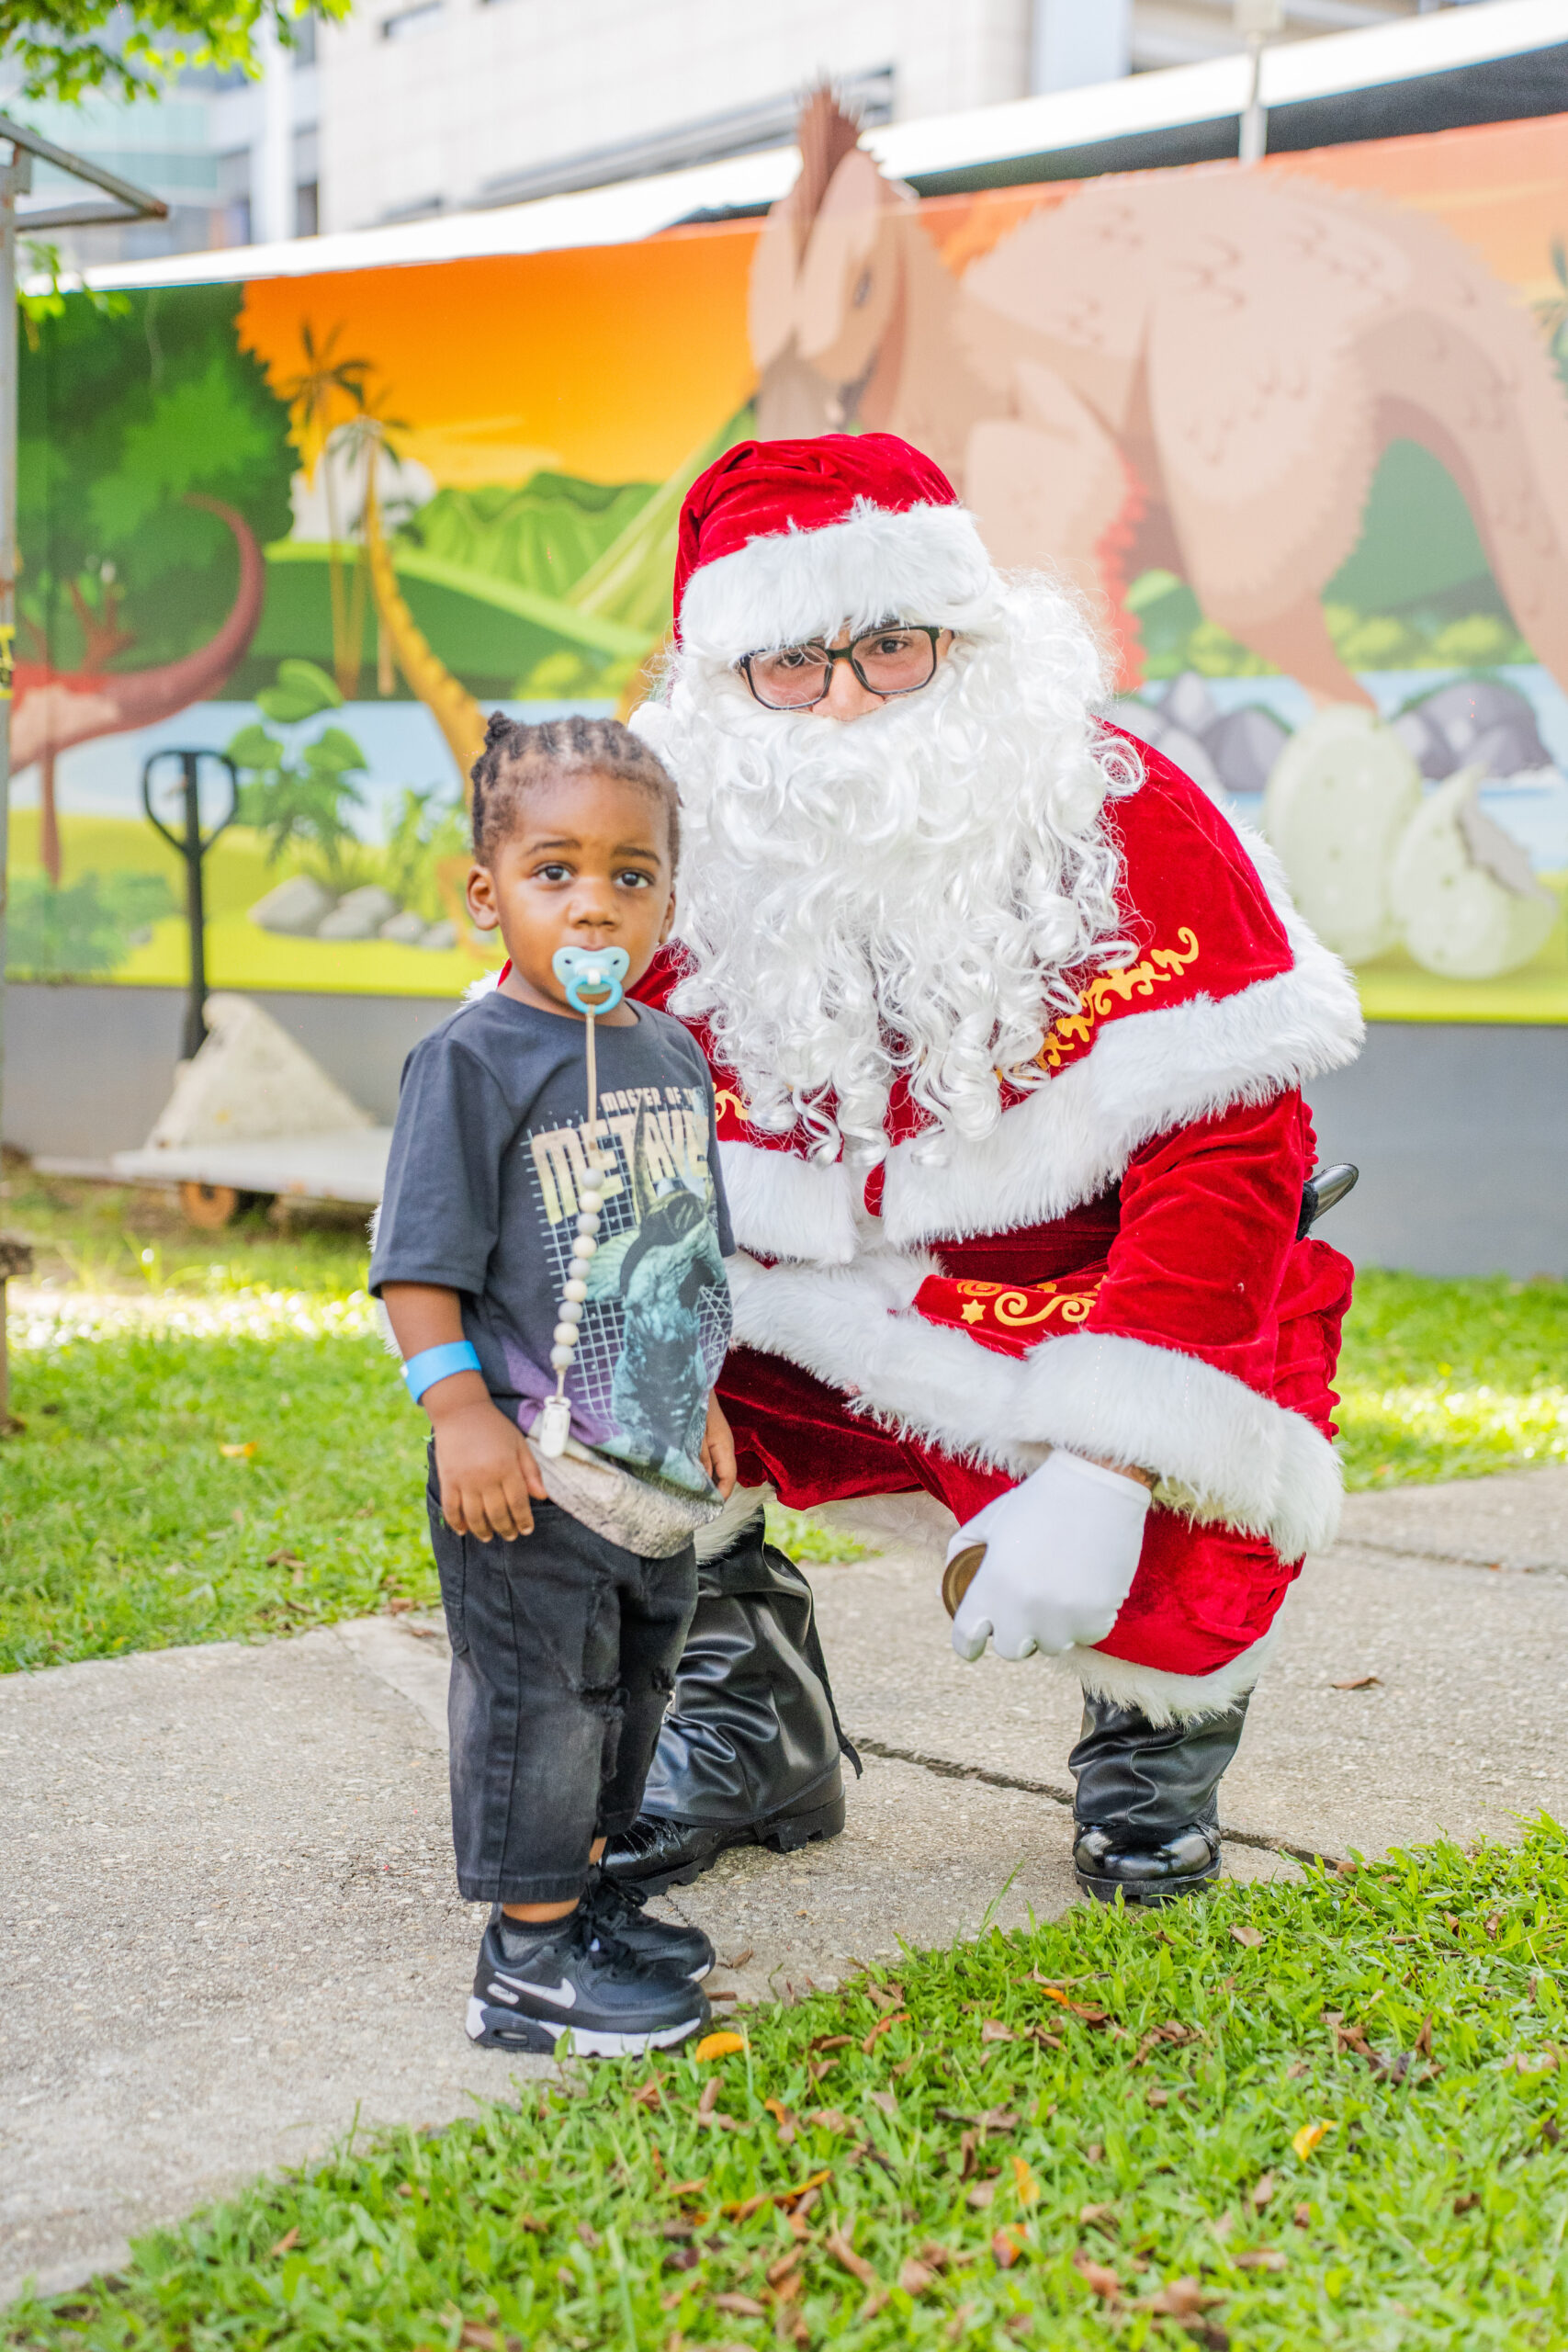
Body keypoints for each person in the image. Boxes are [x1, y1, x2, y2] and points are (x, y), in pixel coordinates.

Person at [597, 433, 1362, 1906]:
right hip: (803, 1289)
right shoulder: (660, 850)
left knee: (1193, 1481)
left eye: (891, 647)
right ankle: (750, 1725)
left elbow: (1234, 1150)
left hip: (1090, 1286)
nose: (848, 700)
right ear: (719, 683)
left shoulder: (1131, 812)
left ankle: (1150, 1742)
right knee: (566, 1372)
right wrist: (651, 1359)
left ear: (970, 636)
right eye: (792, 664)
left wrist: (1110, 1464)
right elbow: (578, 1125)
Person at [371, 714, 739, 2051]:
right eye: (555, 871)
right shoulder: (470, 1062)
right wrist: (460, 1413)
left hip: (648, 1470)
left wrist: (698, 1390)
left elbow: (685, 1244)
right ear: (489, 895)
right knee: (542, 1705)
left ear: (667, 903)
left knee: (632, 1692)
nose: (595, 903)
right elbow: (416, 1266)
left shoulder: (672, 1054)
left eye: (631, 874)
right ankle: (526, 1958)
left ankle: (583, 1898)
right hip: (528, 1472)